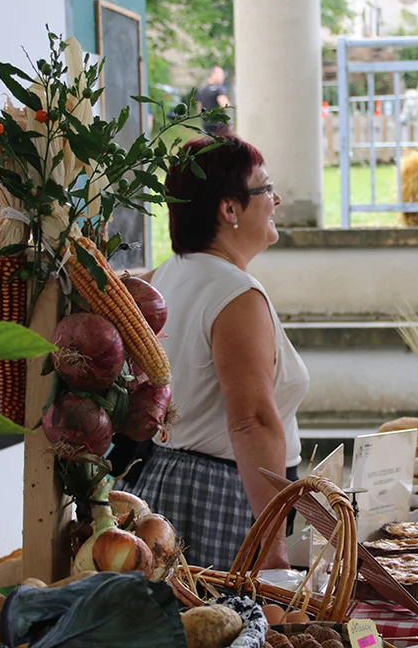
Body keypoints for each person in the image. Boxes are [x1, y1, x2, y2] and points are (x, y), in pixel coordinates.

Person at [127, 133, 307, 571]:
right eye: (265, 188)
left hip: (172, 483)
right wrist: (273, 550)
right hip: (224, 499)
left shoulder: (167, 275)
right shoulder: (234, 293)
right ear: (229, 209)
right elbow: (251, 421)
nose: (276, 199)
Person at [196, 66, 231, 134]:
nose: (223, 77)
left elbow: (199, 109)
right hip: (219, 126)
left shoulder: (200, 89)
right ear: (213, 75)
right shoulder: (218, 89)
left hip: (206, 125)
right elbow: (226, 106)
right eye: (221, 75)